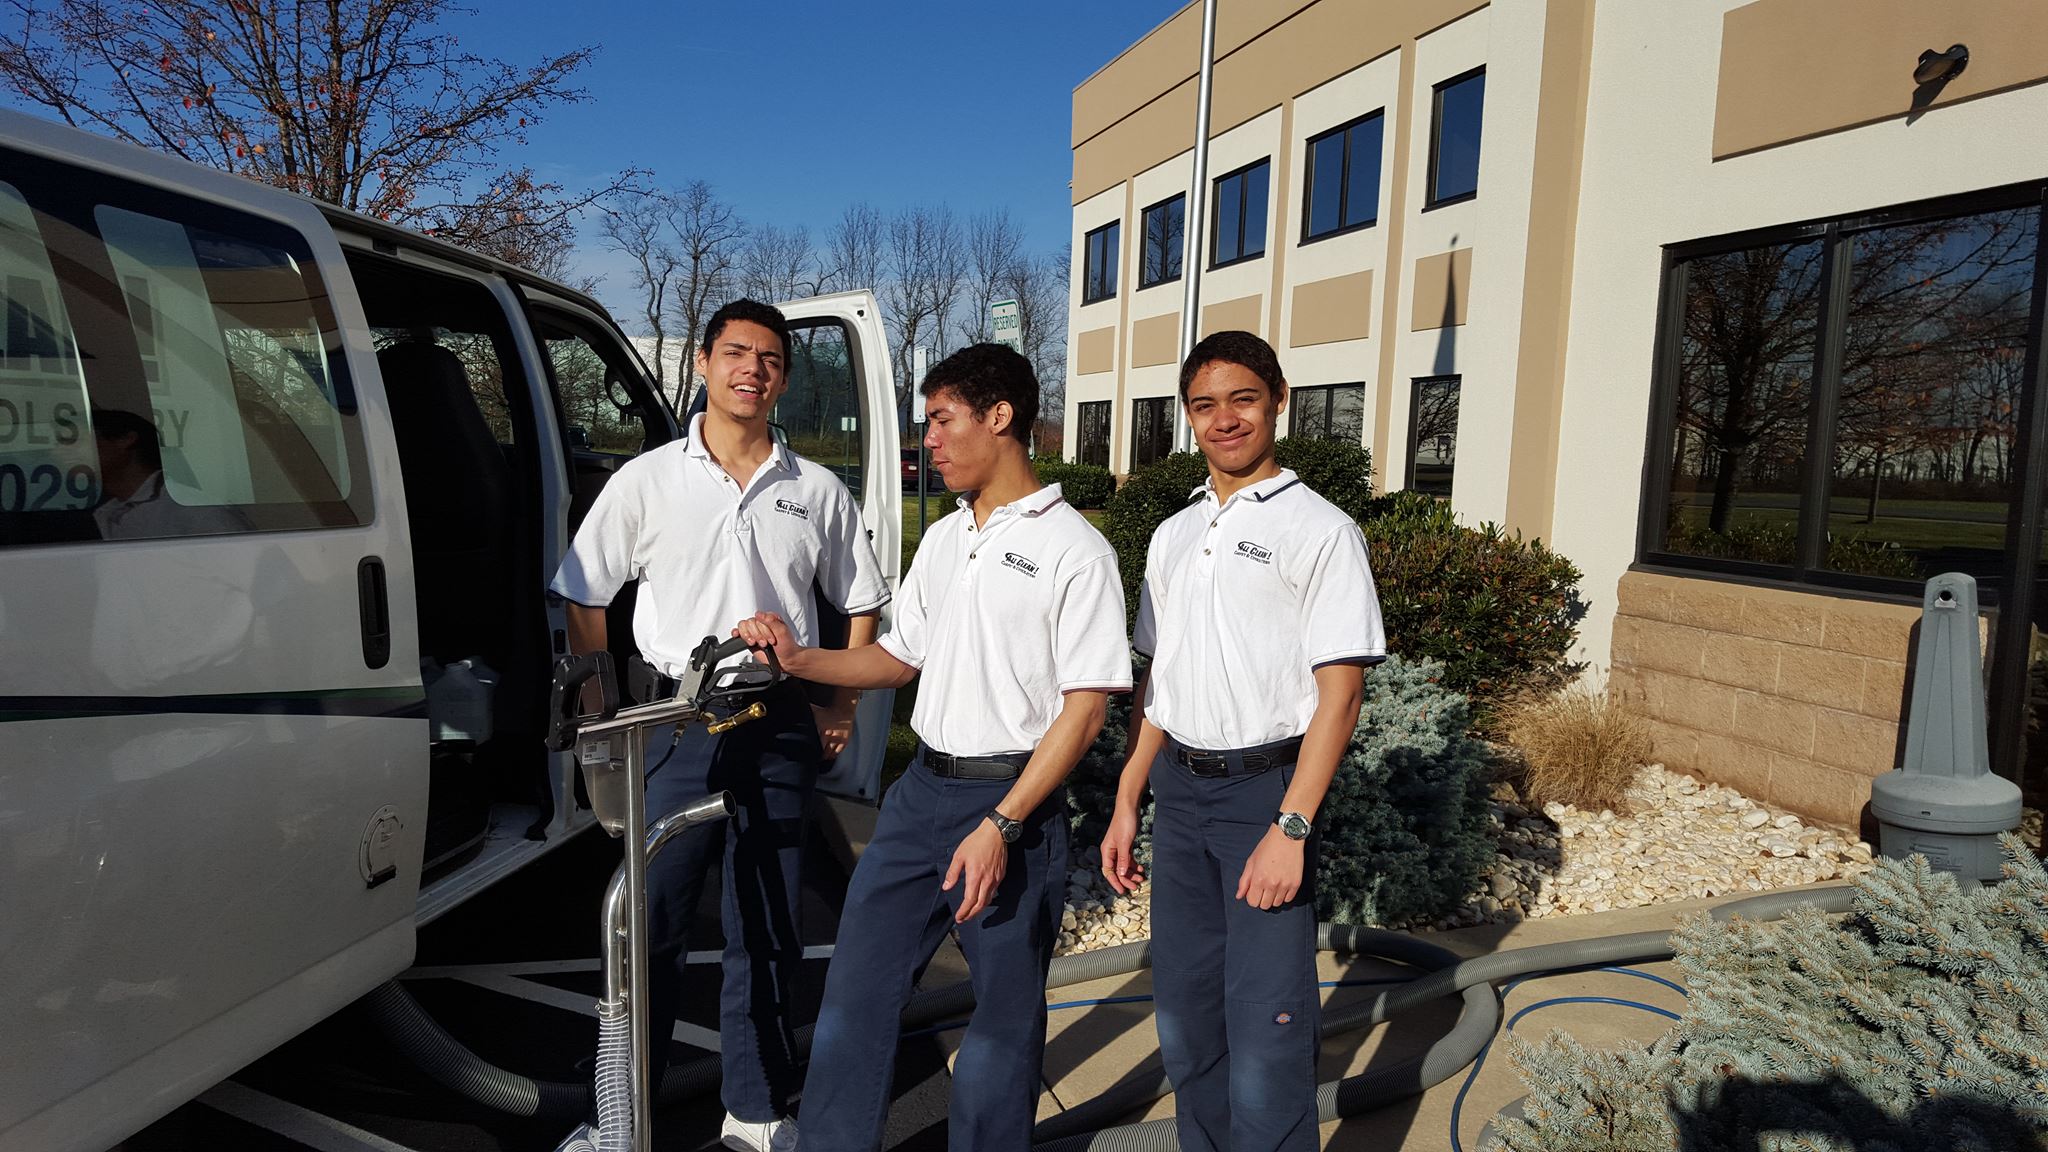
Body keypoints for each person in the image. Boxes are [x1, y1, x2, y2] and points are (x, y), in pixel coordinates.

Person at [734, 343, 1133, 1152]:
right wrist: (800, 661)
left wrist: (1004, 824)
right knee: (856, 992)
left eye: (944, 421)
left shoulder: (1076, 551)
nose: (932, 441)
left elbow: (1086, 711)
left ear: (1000, 416)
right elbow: (898, 656)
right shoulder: (949, 538)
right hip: (919, 796)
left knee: (1002, 1024)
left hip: (1010, 803)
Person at [549, 299, 889, 1152]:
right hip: (672, 721)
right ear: (703, 363)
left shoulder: (815, 490)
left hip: (776, 719)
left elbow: (861, 601)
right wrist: (598, 712)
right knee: (649, 926)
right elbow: (585, 592)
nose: (753, 369)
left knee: (767, 922)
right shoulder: (649, 480)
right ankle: (618, 1116)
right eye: (737, 352)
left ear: (784, 378)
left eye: (771, 358)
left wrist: (840, 706)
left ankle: (757, 1109)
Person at [1101, 331, 1383, 1152]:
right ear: (1188, 417)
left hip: (1264, 796)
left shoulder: (1319, 530)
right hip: (1179, 794)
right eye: (1205, 405)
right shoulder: (1174, 534)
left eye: (1243, 399)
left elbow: (1342, 694)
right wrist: (1127, 797)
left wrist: (1291, 827)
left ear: (1278, 400)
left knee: (1267, 1026)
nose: (1224, 419)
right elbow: (1159, 682)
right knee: (1187, 1016)